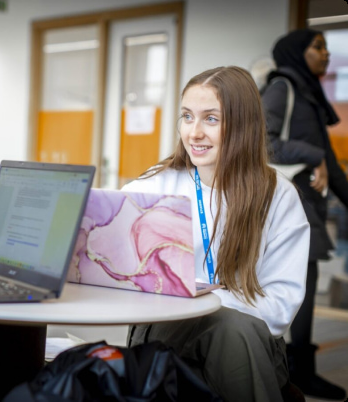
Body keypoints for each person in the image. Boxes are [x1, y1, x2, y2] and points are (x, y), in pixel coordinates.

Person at [125, 66, 308, 402]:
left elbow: (280, 309)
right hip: (165, 329)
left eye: (211, 119)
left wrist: (207, 300)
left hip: (250, 339)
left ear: (242, 125)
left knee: (232, 329)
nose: (194, 132)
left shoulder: (278, 195)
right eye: (187, 117)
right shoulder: (155, 186)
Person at [262, 28, 348, 401]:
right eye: (318, 47)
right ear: (297, 52)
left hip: (306, 202)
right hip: (287, 200)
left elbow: (331, 162)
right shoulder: (283, 86)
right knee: (302, 283)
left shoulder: (310, 95)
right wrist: (311, 155)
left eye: (327, 48)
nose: (326, 54)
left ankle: (297, 369)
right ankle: (296, 370)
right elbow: (263, 142)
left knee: (307, 281)